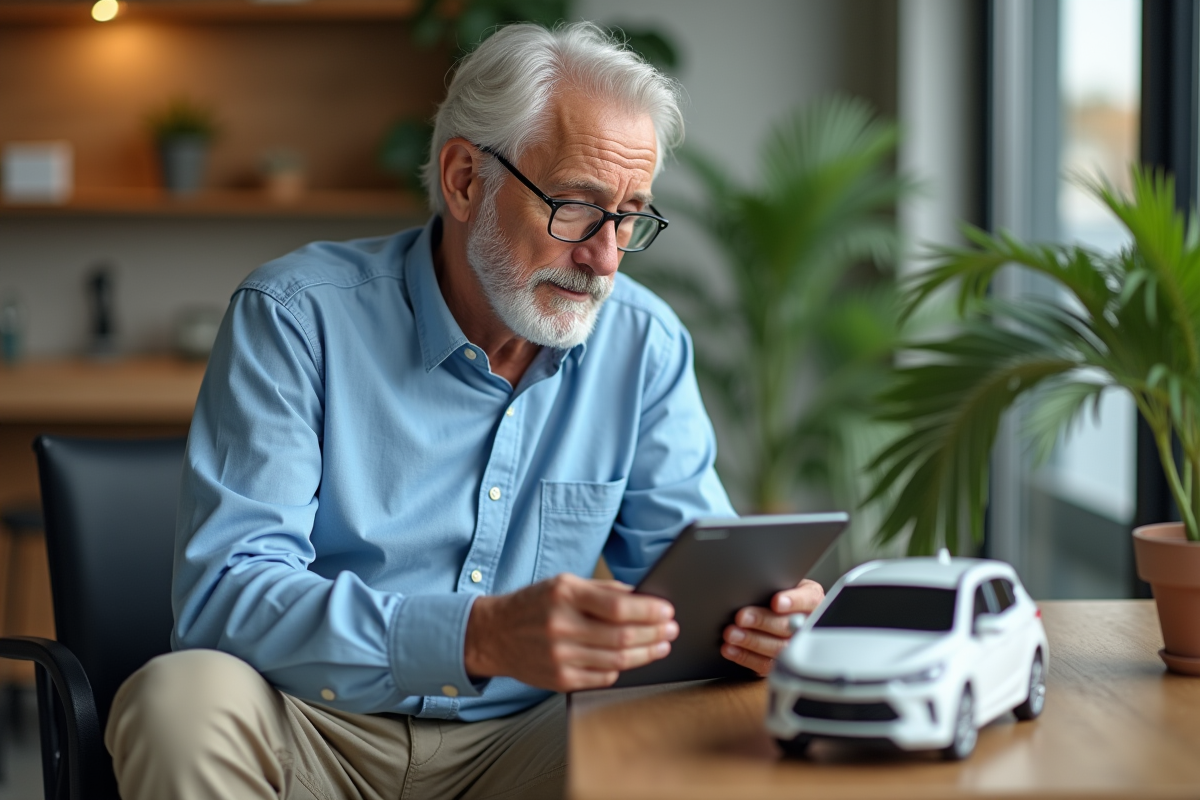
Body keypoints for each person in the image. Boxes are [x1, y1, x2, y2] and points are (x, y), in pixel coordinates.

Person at [104, 21, 824, 800]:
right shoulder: (295, 316)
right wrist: (476, 637)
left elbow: (690, 581)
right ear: (464, 180)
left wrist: (761, 623)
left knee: (720, 719)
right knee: (178, 705)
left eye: (629, 217)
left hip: (532, 741)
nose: (605, 256)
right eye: (577, 206)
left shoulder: (643, 344)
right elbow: (225, 598)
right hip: (315, 721)